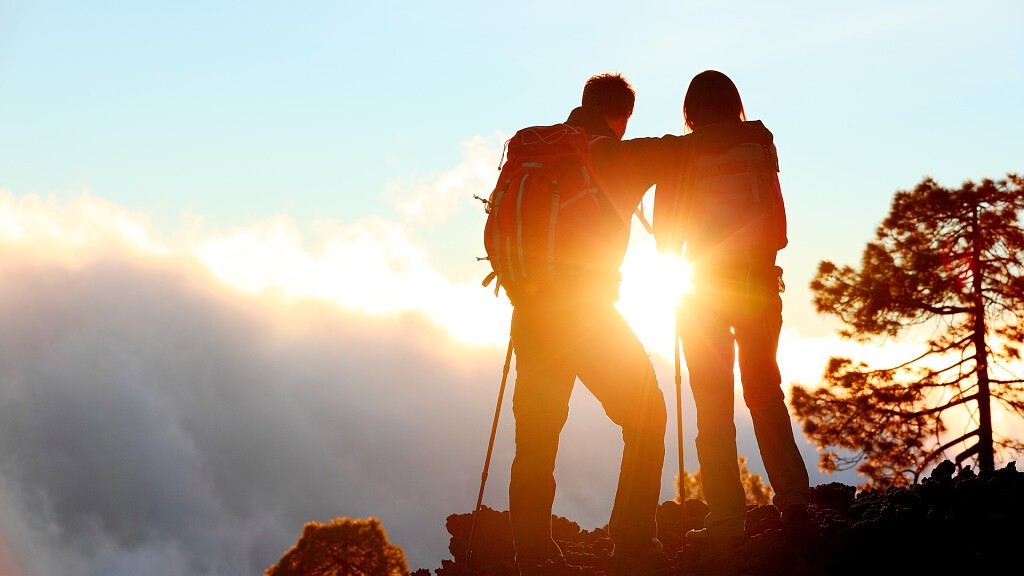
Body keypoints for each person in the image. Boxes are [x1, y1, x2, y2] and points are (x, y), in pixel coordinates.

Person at [507, 73, 668, 576]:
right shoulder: (615, 154)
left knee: (536, 435)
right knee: (648, 415)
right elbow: (681, 152)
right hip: (588, 316)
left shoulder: (534, 148)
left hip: (531, 311)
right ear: (621, 117)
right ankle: (633, 540)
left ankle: (529, 553)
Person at [652, 70, 812, 545]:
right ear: (734, 103)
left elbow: (664, 237)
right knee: (764, 392)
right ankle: (795, 502)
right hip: (759, 285)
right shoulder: (760, 145)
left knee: (713, 407)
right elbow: (780, 229)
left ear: (690, 111)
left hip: (702, 294)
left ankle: (726, 518)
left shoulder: (682, 153)